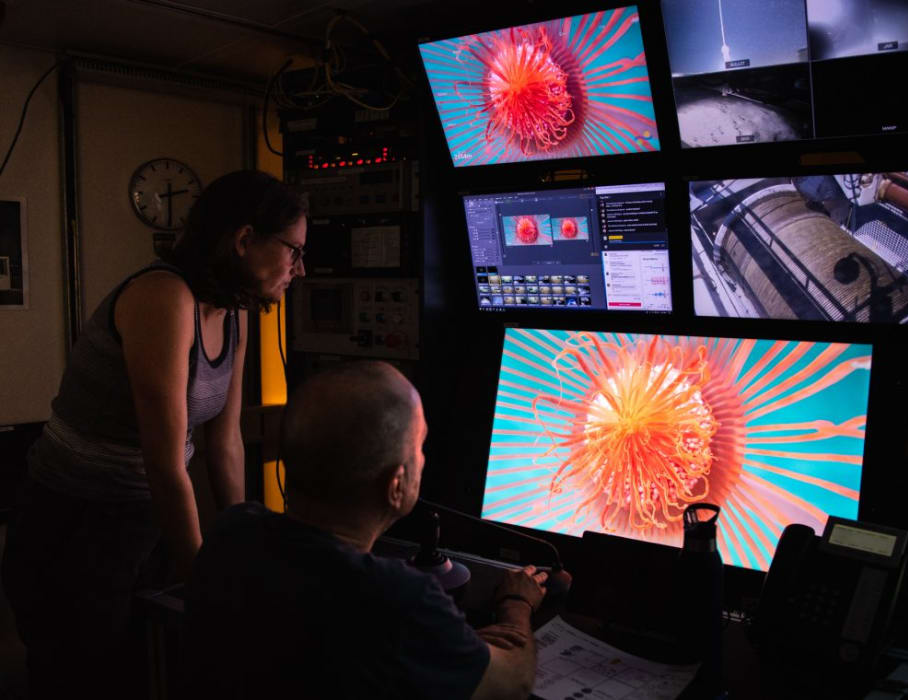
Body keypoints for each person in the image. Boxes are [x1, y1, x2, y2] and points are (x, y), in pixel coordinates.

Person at [1, 170, 308, 699]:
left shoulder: (235, 312)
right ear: (243, 240)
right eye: (293, 251)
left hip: (143, 517)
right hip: (70, 525)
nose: (298, 270)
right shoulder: (163, 298)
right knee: (82, 678)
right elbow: (165, 464)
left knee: (150, 670)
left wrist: (233, 546)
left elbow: (225, 439)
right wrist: (206, 587)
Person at [182, 362, 548, 699]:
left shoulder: (233, 532)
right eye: (419, 447)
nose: (423, 458)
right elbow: (513, 682)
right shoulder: (398, 598)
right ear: (396, 484)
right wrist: (517, 604)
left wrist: (448, 645)